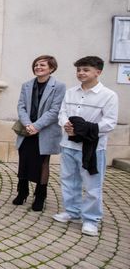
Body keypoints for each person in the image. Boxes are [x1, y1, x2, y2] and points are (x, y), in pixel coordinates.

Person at [53, 56, 118, 237]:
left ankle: (90, 219)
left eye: (86, 70)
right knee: (69, 181)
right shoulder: (70, 92)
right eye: (79, 70)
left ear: (98, 72)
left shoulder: (108, 96)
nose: (81, 73)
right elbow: (62, 112)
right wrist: (66, 124)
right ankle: (72, 212)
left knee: (92, 186)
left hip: (92, 149)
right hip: (68, 144)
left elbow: (109, 123)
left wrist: (83, 130)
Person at [12, 55, 66, 211]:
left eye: (42, 65)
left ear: (52, 68)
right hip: (27, 130)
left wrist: (37, 126)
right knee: (24, 161)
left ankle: (40, 196)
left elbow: (55, 110)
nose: (38, 67)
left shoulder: (59, 86)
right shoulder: (27, 85)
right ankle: (22, 193)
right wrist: (28, 124)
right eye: (36, 65)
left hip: (45, 131)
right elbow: (21, 106)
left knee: (43, 163)